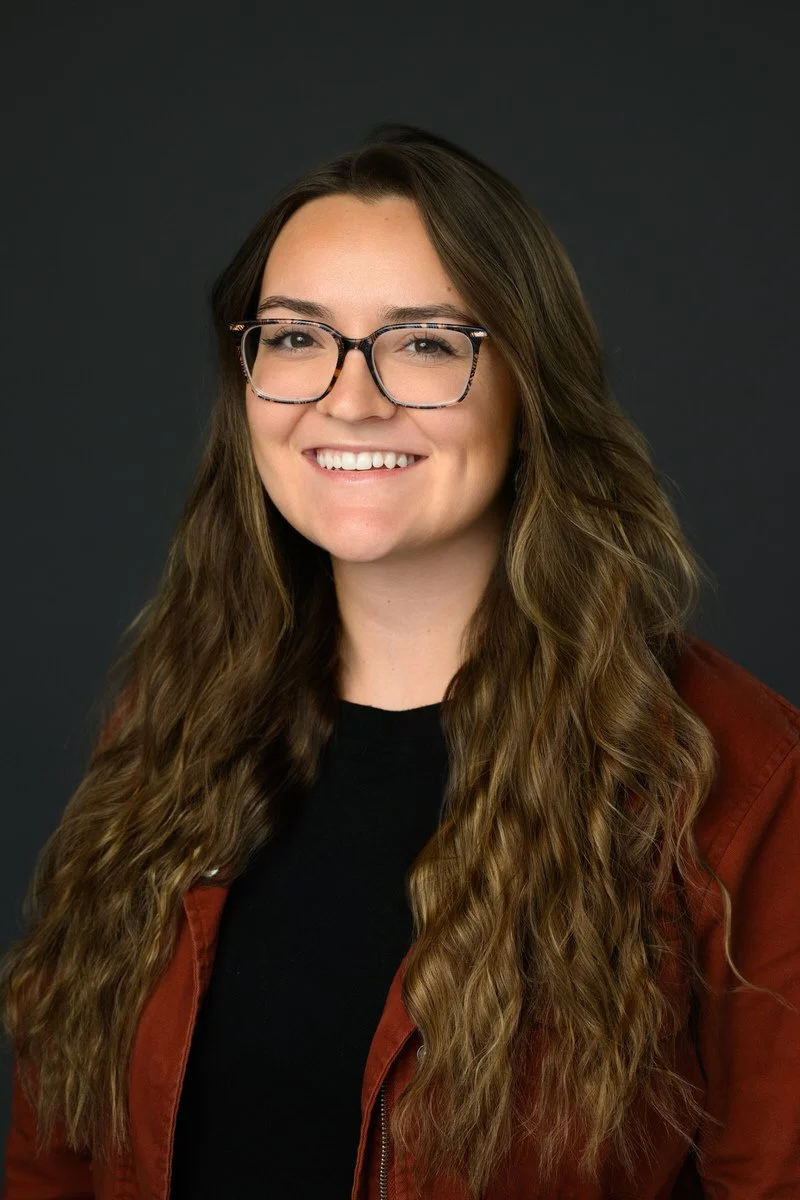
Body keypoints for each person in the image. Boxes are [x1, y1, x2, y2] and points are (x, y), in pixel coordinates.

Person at [2, 123, 799, 1200]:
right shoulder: (169, 724)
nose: (348, 397)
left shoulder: (734, 773)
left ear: (530, 385)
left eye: (423, 343)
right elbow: (56, 1156)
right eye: (296, 337)